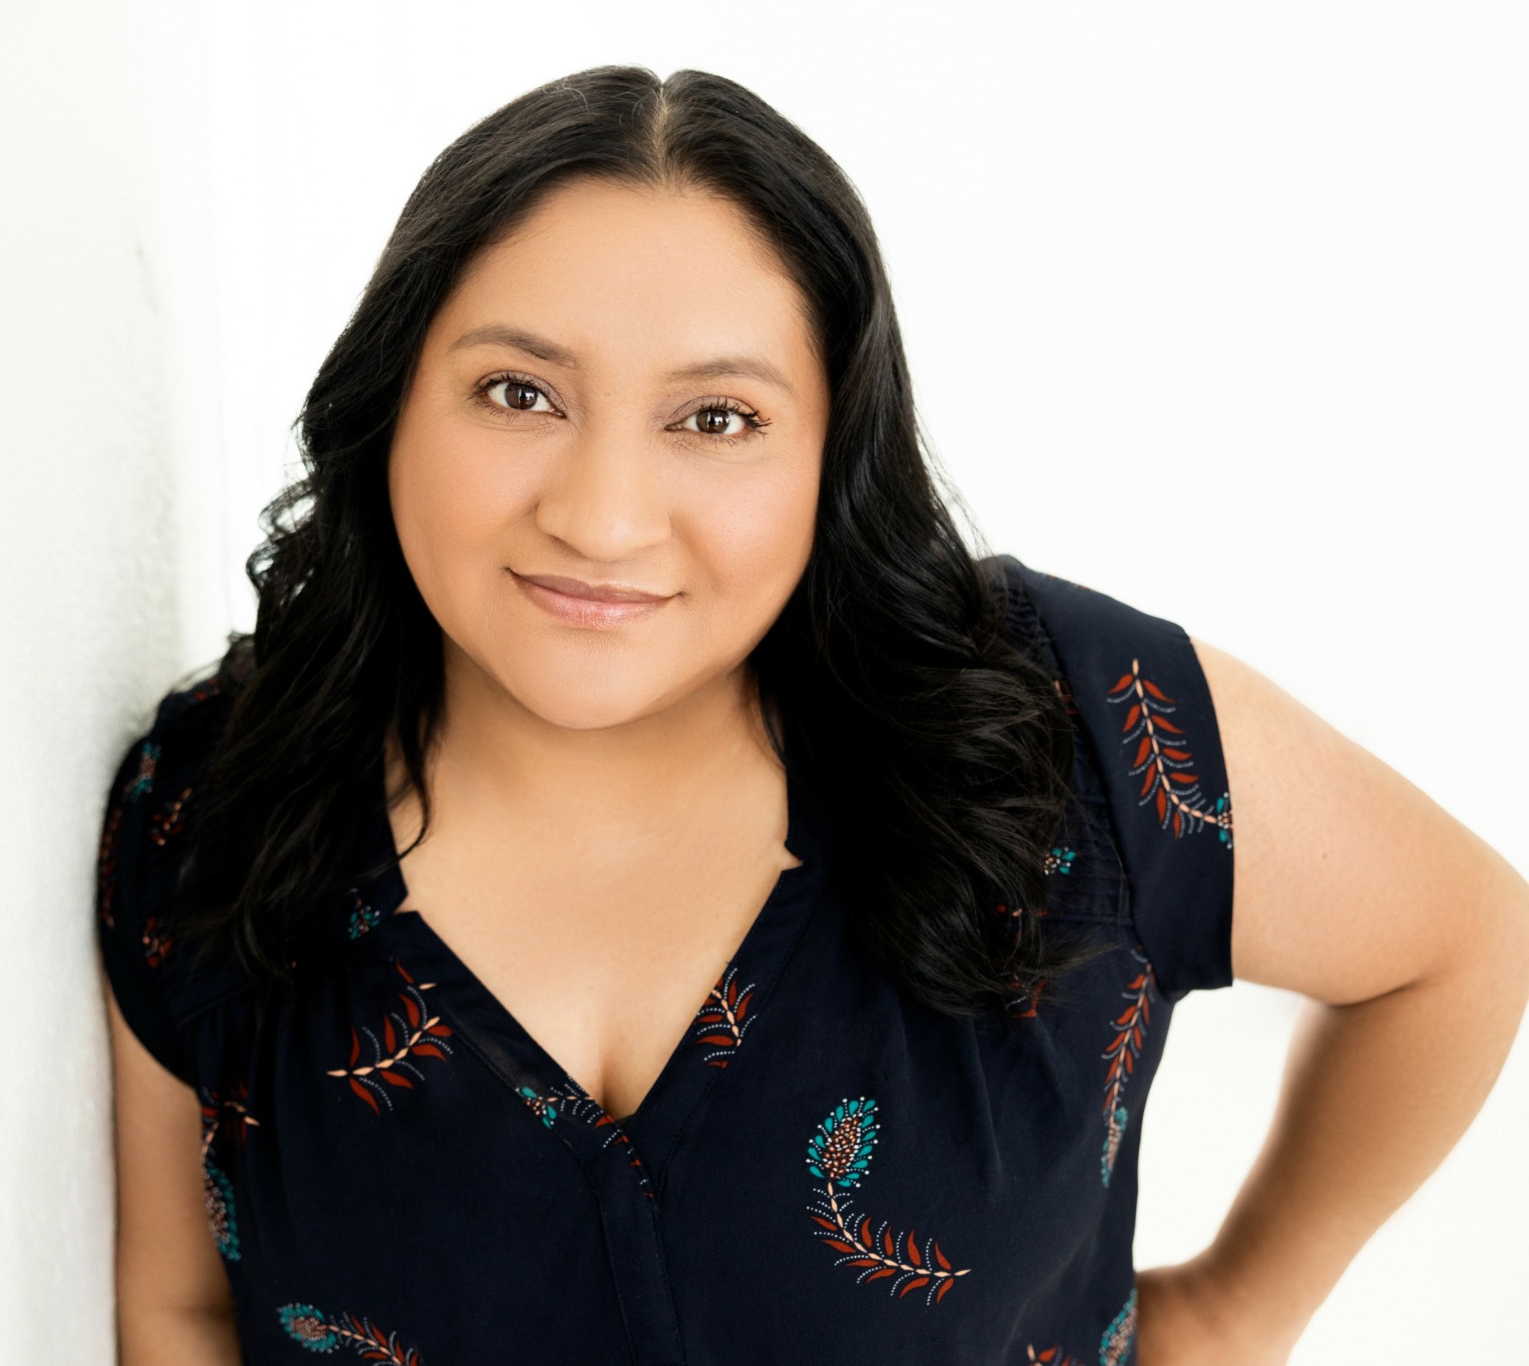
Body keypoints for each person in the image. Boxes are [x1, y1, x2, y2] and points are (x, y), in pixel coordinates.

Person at [92, 65, 1529, 1366]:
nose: (601, 515)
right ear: (391, 401)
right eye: (518, 392)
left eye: (717, 418)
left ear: (835, 453)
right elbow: (182, 1312)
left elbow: (1460, 944)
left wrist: (1234, 1311)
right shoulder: (216, 806)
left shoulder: (1069, 728)